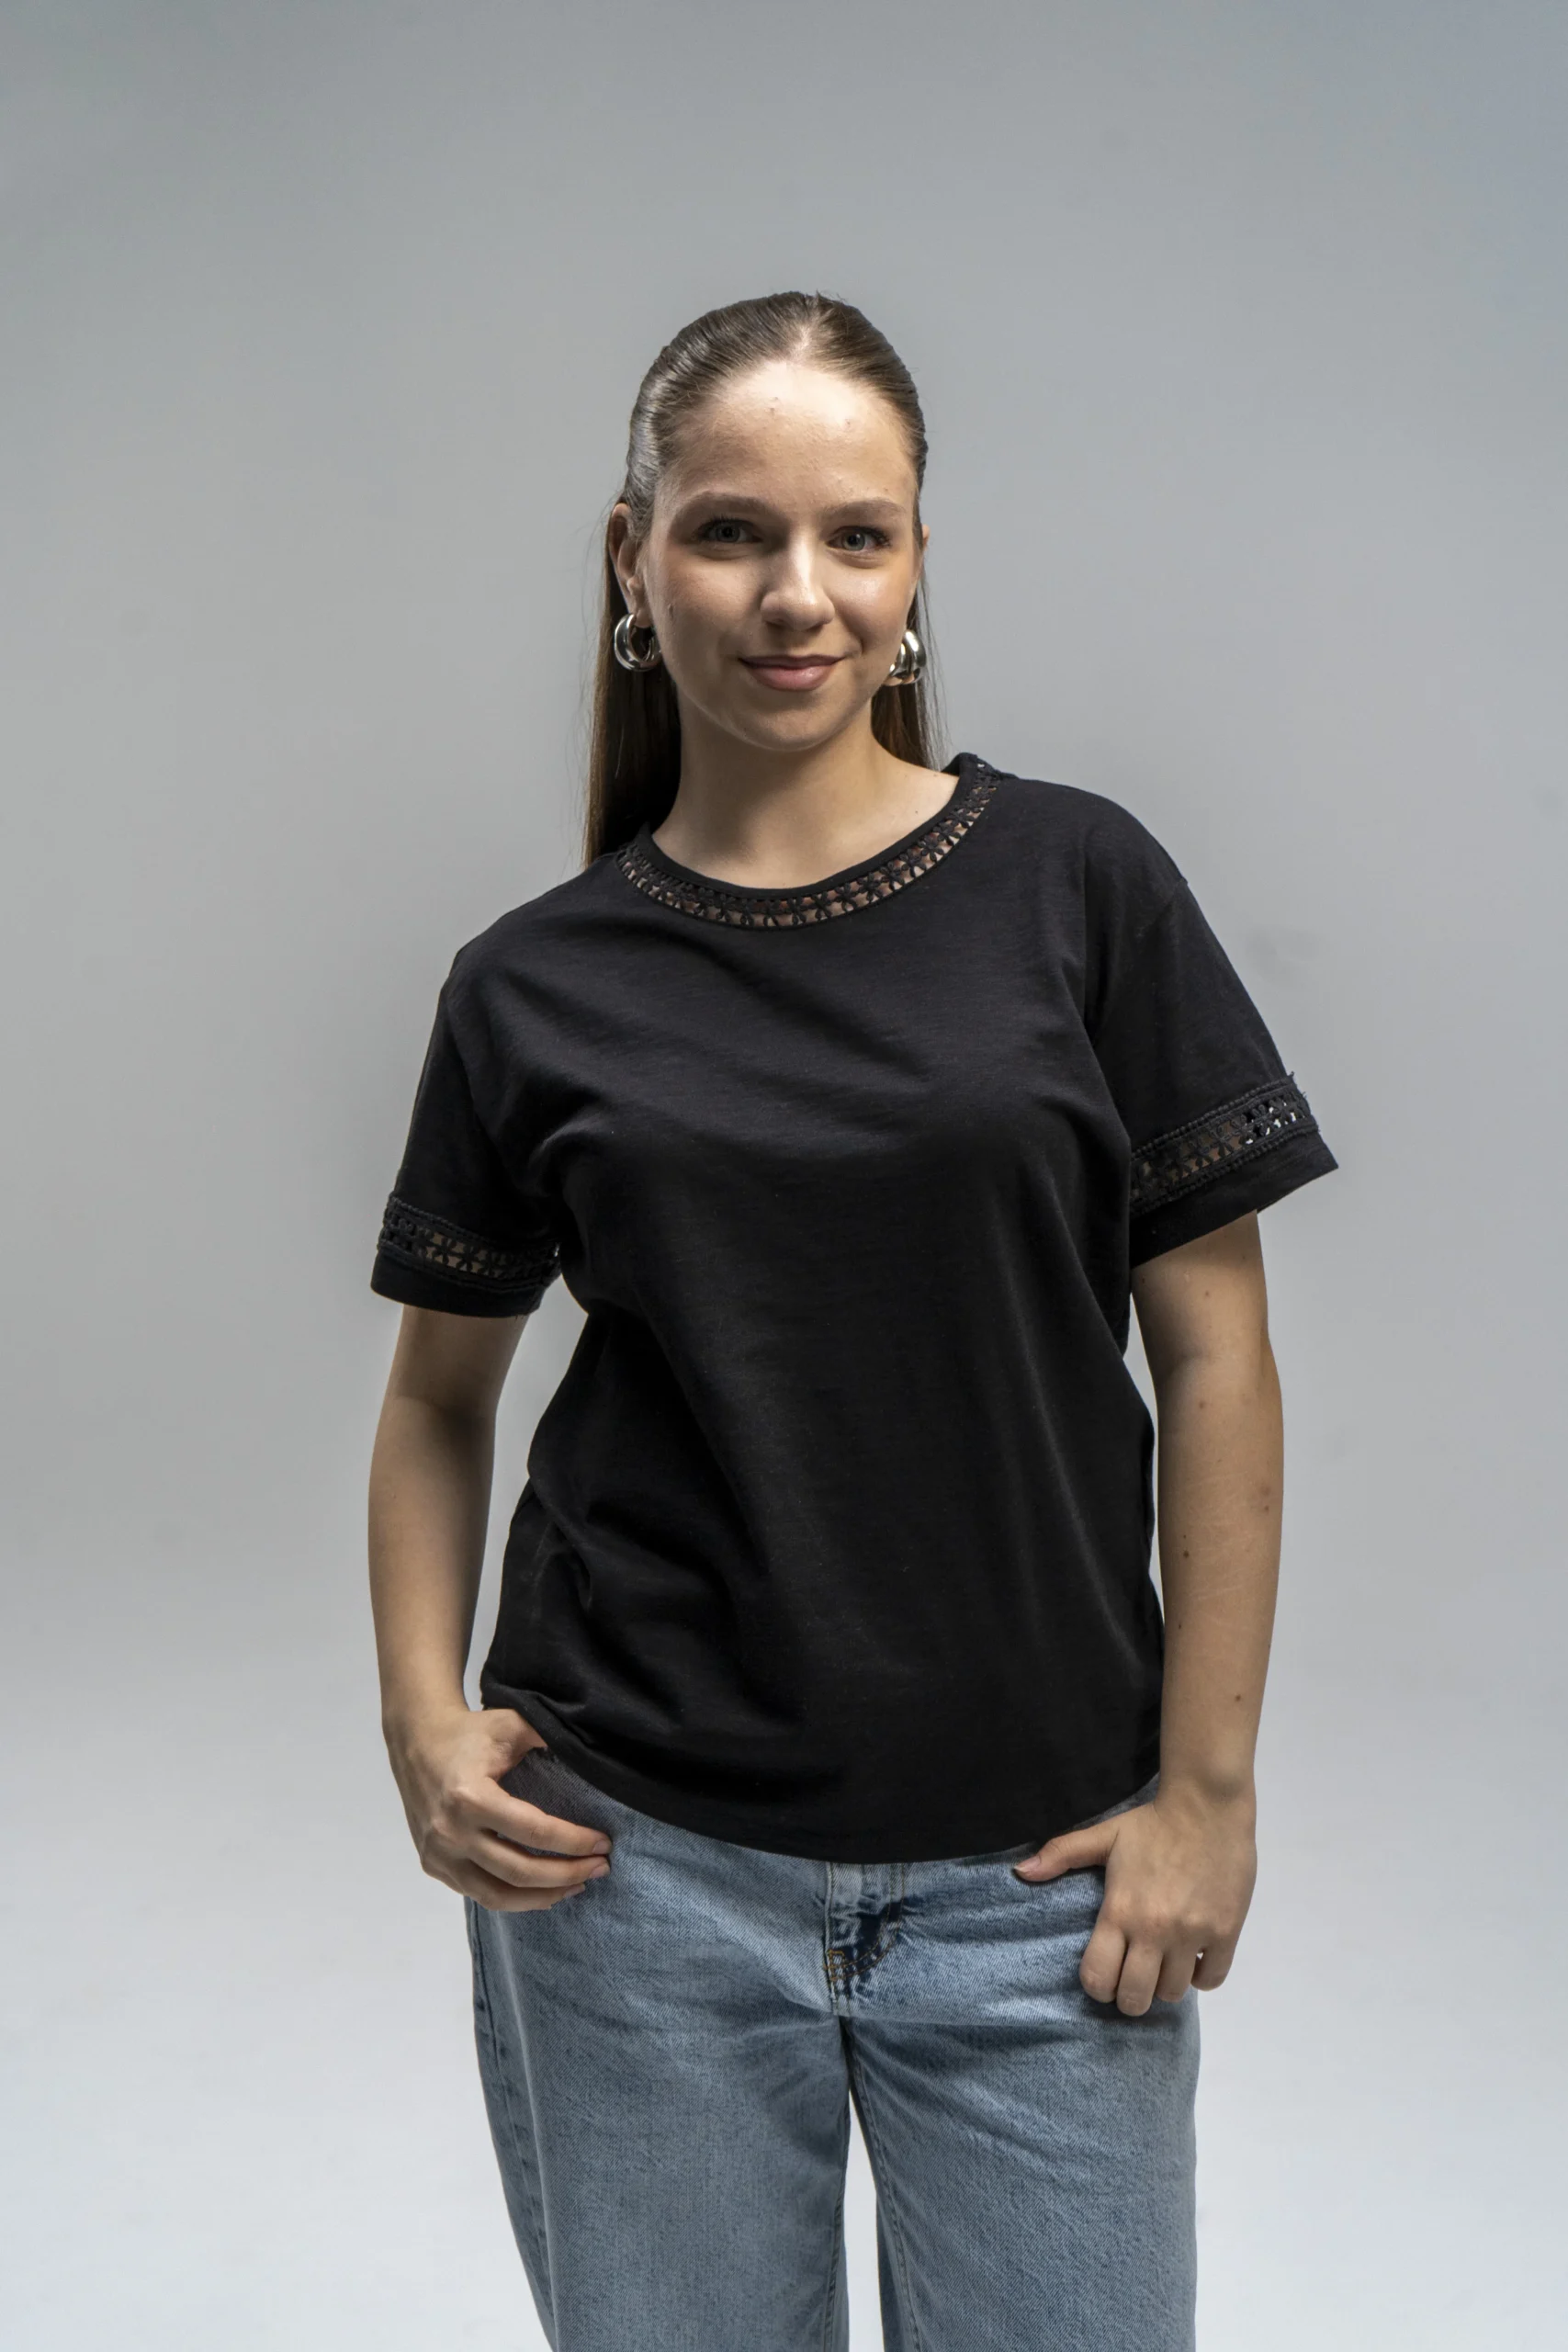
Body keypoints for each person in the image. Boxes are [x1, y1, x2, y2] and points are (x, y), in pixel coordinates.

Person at [367, 290, 1337, 2352]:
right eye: (730, 531)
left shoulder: (1079, 884)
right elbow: (439, 1397)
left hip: (1042, 1878)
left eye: (856, 534)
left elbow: (1217, 1361)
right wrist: (421, 1724)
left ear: (914, 563)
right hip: (634, 1869)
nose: (795, 594)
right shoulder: (530, 984)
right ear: (631, 558)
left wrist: (1207, 1796)